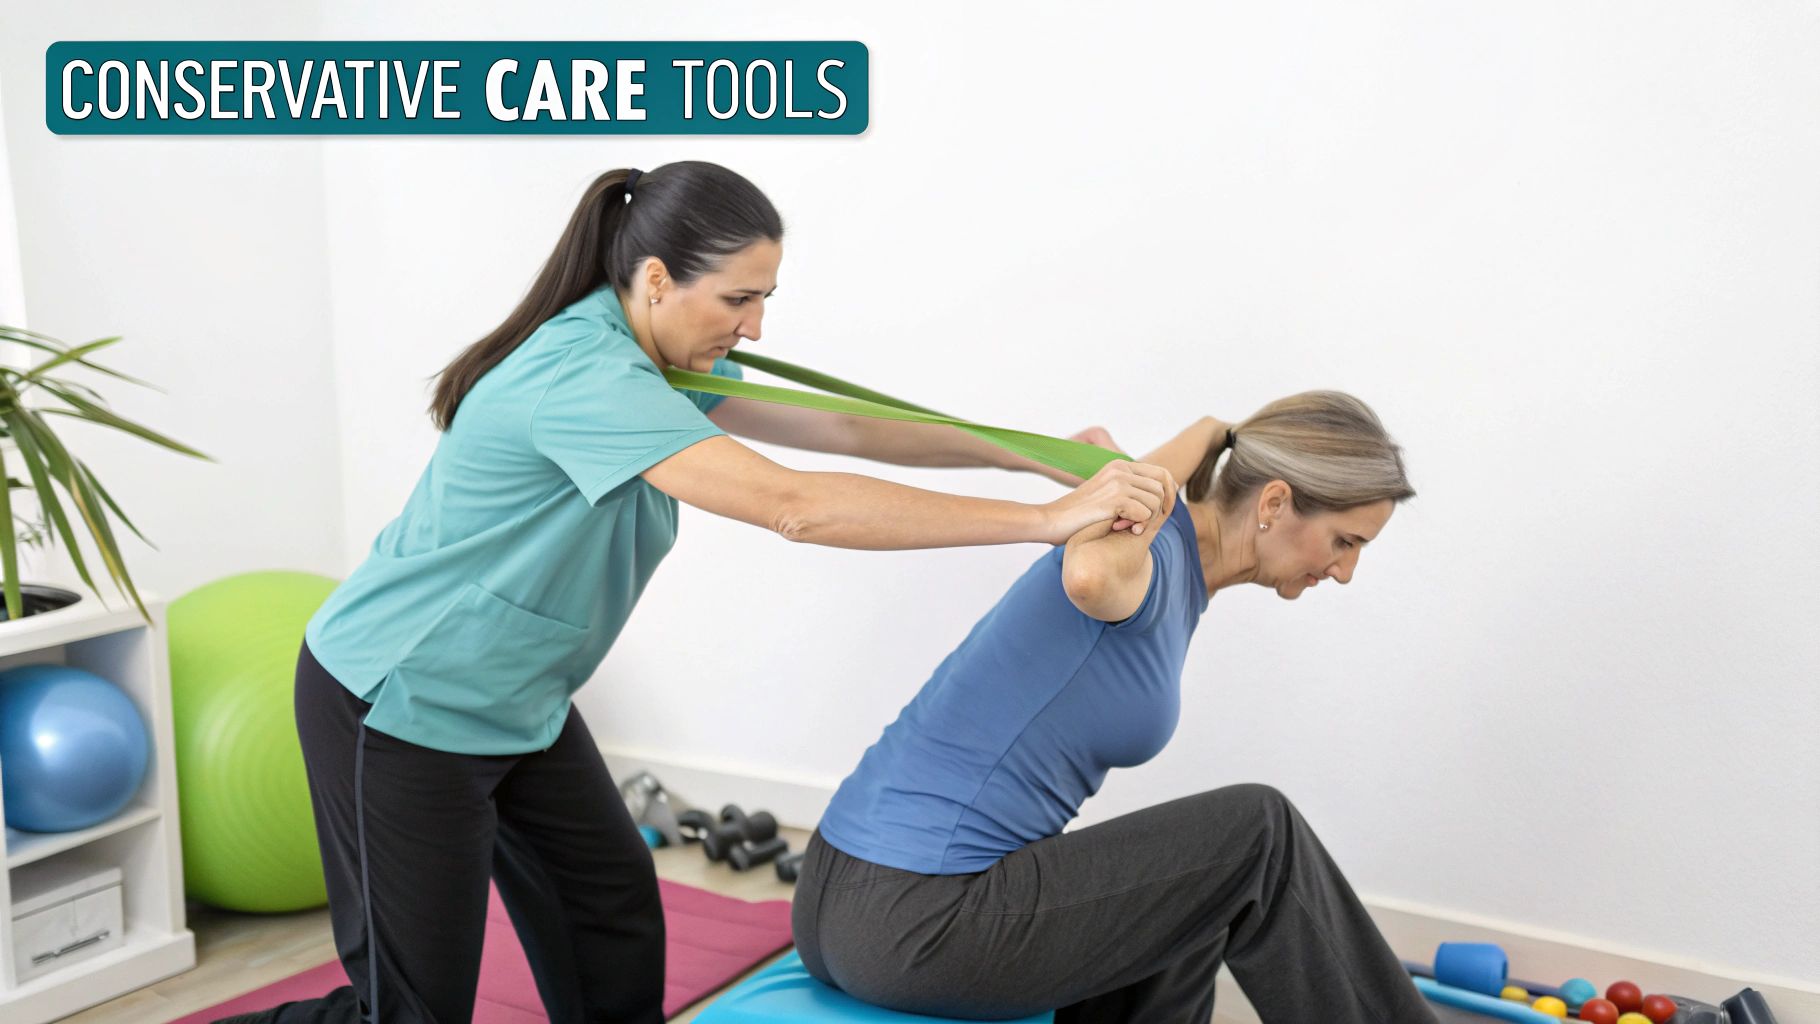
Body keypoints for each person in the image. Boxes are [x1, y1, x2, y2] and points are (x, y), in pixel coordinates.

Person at [228, 161, 1172, 1024]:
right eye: (740, 298)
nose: (754, 326)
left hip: (518, 698)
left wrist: (1039, 458)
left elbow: (846, 431)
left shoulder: (667, 362)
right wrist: (1049, 523)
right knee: (411, 1012)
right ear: (653, 282)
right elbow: (797, 506)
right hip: (403, 701)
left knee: (611, 920)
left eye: (765, 298)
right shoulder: (584, 377)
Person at [794, 395, 1433, 1023]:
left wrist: (1211, 433)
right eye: (1344, 541)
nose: (1344, 570)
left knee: (1193, 884)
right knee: (1260, 833)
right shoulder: (1146, 553)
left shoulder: (1165, 554)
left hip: (842, 897)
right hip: (917, 920)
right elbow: (1090, 576)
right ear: (1274, 503)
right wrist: (1206, 428)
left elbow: (1111, 481)